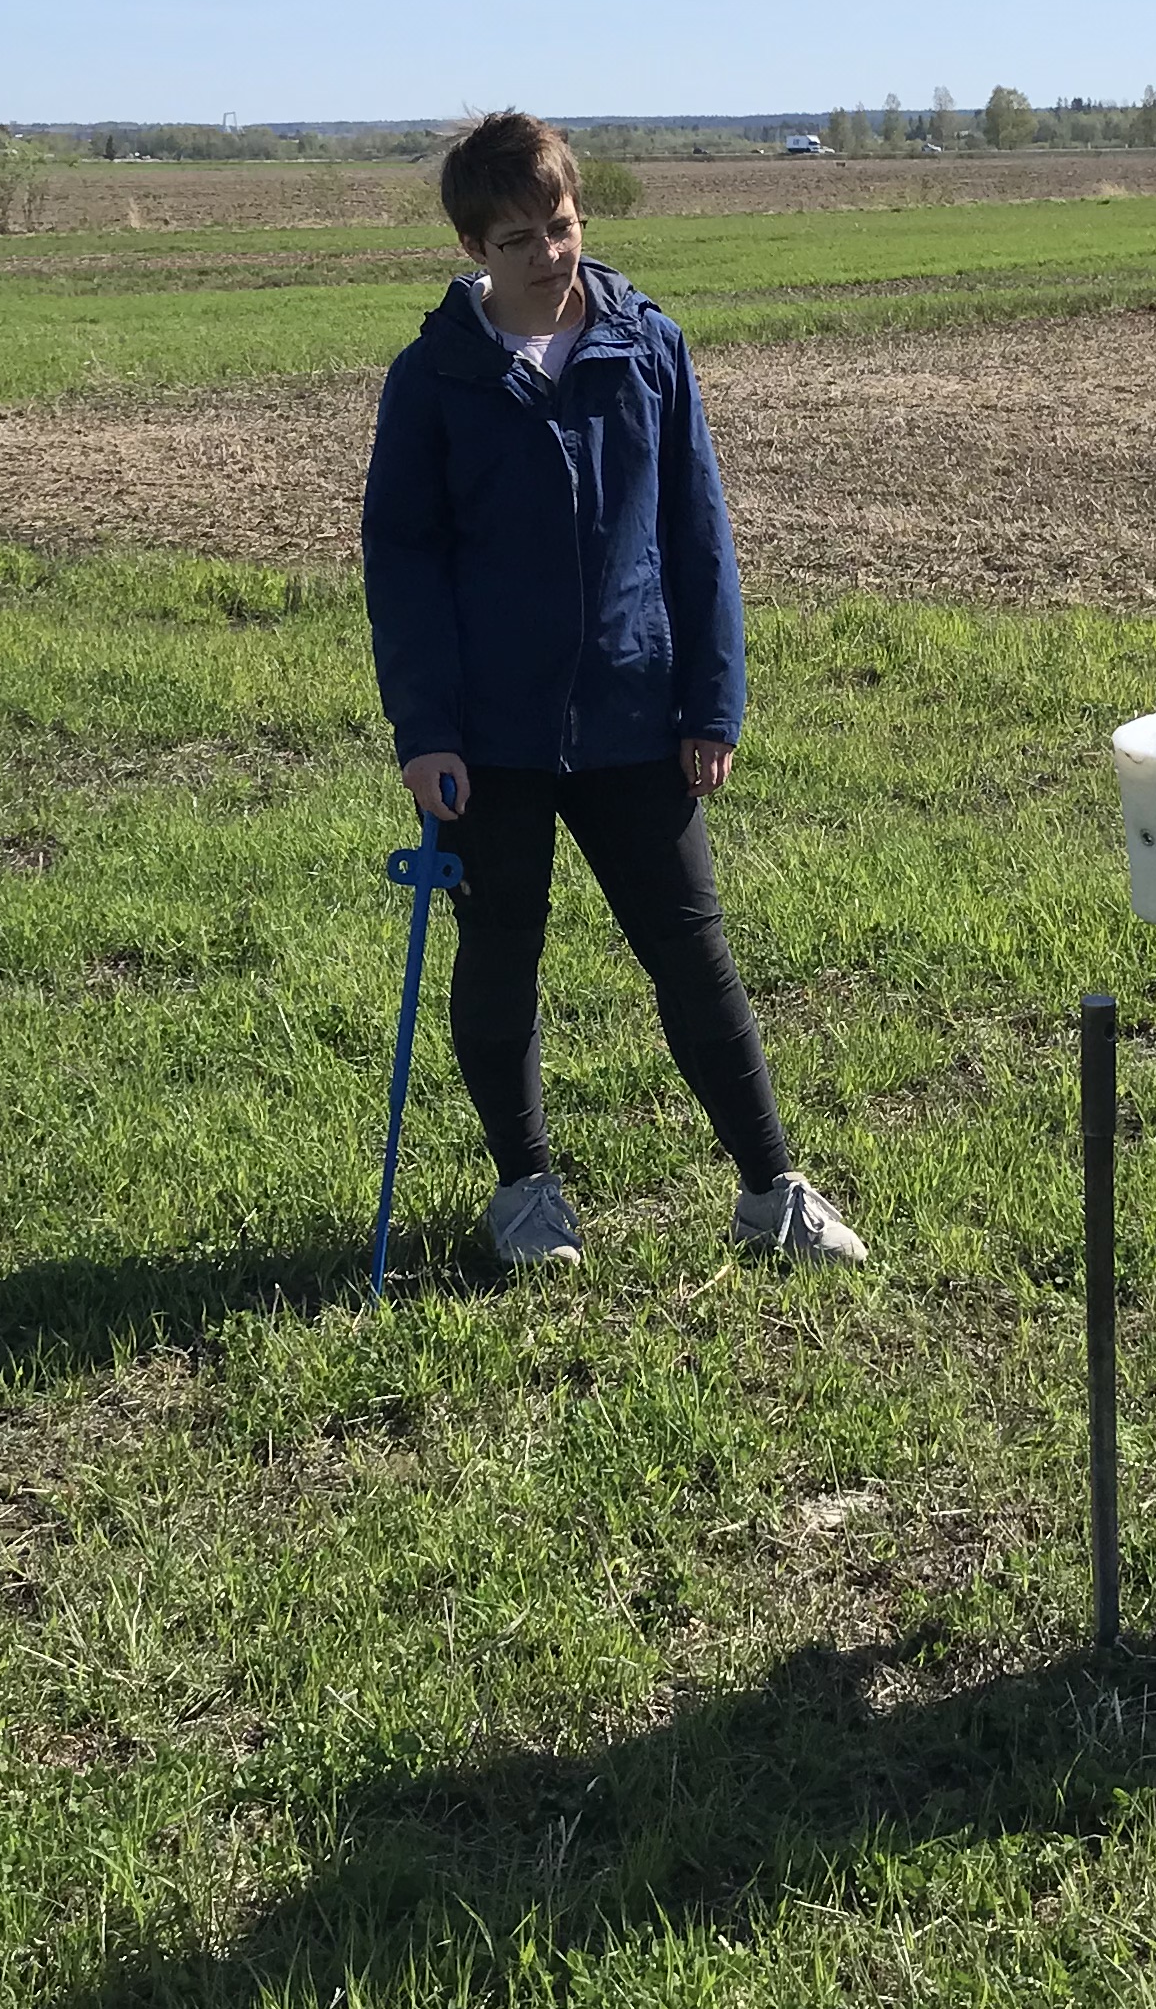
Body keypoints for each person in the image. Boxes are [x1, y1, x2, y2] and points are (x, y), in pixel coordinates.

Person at [360, 111, 864, 1272]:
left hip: (640, 719)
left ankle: (772, 1192)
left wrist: (712, 701)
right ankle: (527, 1194)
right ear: (475, 247)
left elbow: (700, 535)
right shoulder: (434, 379)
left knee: (693, 954)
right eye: (519, 238)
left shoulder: (649, 349)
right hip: (493, 739)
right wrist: (426, 731)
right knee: (502, 958)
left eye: (563, 224)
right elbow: (403, 567)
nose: (549, 253)